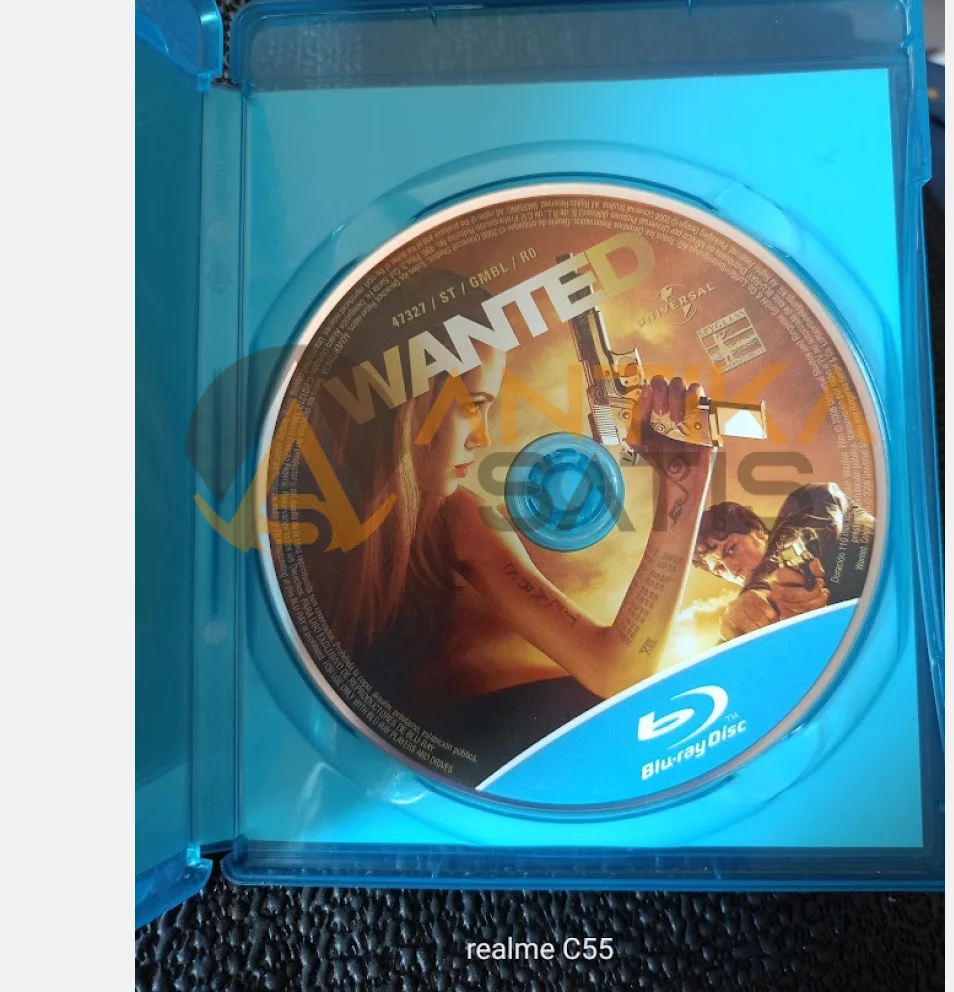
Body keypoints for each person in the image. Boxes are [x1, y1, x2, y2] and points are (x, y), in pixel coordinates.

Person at [274, 270, 714, 780]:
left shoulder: (458, 520)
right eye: (472, 407)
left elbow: (617, 669)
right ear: (408, 407)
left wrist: (684, 485)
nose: (482, 437)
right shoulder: (288, 513)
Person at [693, 482, 875, 641]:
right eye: (720, 569)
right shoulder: (768, 620)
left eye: (732, 549)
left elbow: (810, 529)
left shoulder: (810, 498)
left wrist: (761, 587)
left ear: (758, 532)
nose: (732, 570)